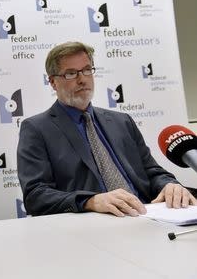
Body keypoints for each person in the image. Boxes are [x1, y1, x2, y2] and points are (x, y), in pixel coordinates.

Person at [17, 41, 197, 217]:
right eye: (71, 73)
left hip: (148, 215)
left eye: (87, 70)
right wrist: (91, 201)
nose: (82, 79)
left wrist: (169, 184)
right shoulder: (37, 129)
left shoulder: (122, 121)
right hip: (95, 226)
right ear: (53, 82)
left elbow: (152, 172)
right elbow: (36, 196)